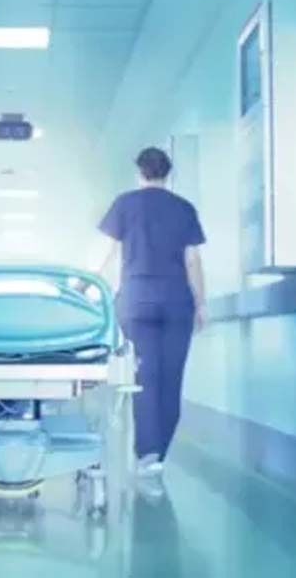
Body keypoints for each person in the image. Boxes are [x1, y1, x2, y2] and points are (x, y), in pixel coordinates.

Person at [96, 147, 207, 490]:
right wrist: (201, 304)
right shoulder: (184, 208)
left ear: (139, 172)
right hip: (176, 303)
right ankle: (158, 455)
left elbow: (107, 254)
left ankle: (147, 453)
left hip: (136, 302)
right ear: (167, 174)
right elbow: (193, 261)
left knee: (144, 377)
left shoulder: (125, 204)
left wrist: (89, 287)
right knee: (171, 379)